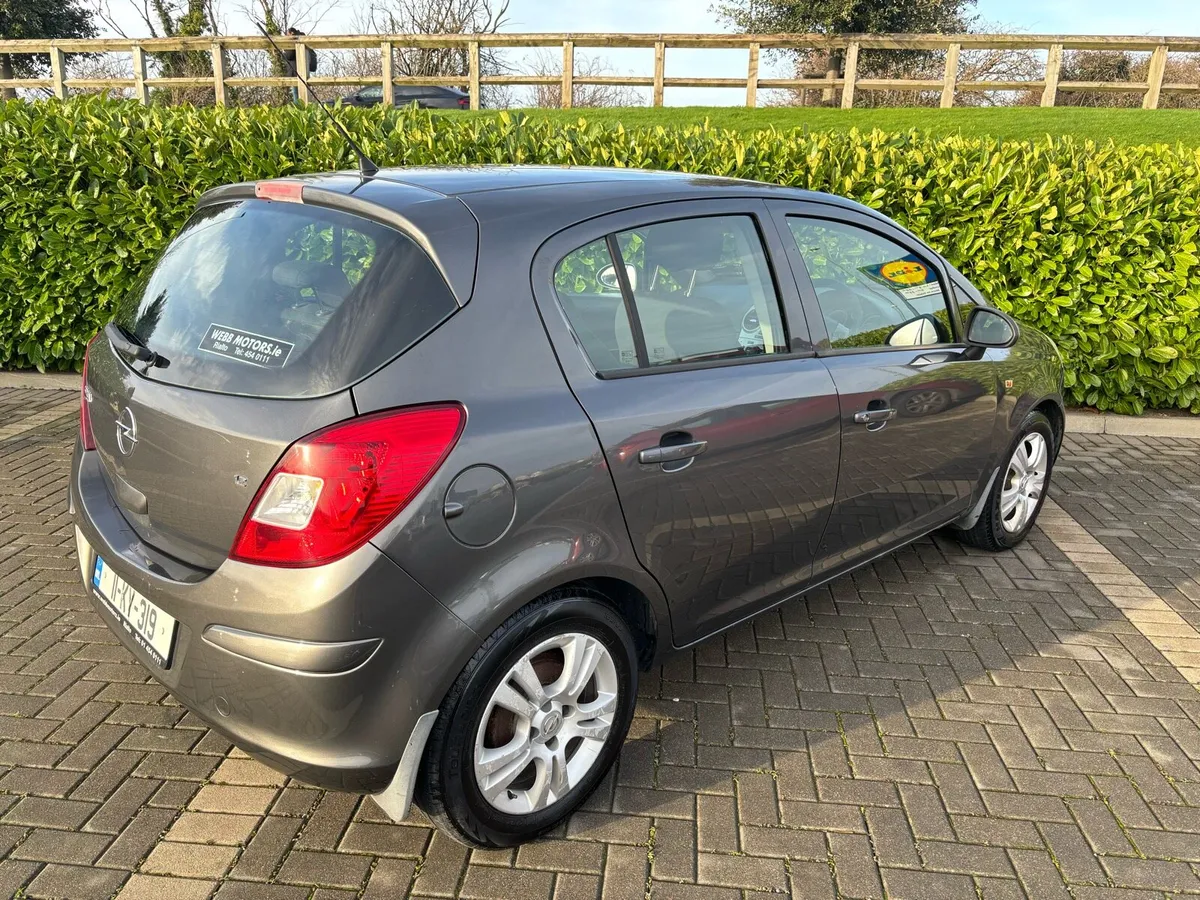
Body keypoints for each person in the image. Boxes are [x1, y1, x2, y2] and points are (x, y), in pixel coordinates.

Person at [282, 27, 318, 103]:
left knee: (297, 99)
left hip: (296, 73)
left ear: (291, 33)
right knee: (305, 97)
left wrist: (283, 52)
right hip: (305, 73)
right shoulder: (304, 38)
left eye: (286, 35)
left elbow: (289, 55)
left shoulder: (295, 39)